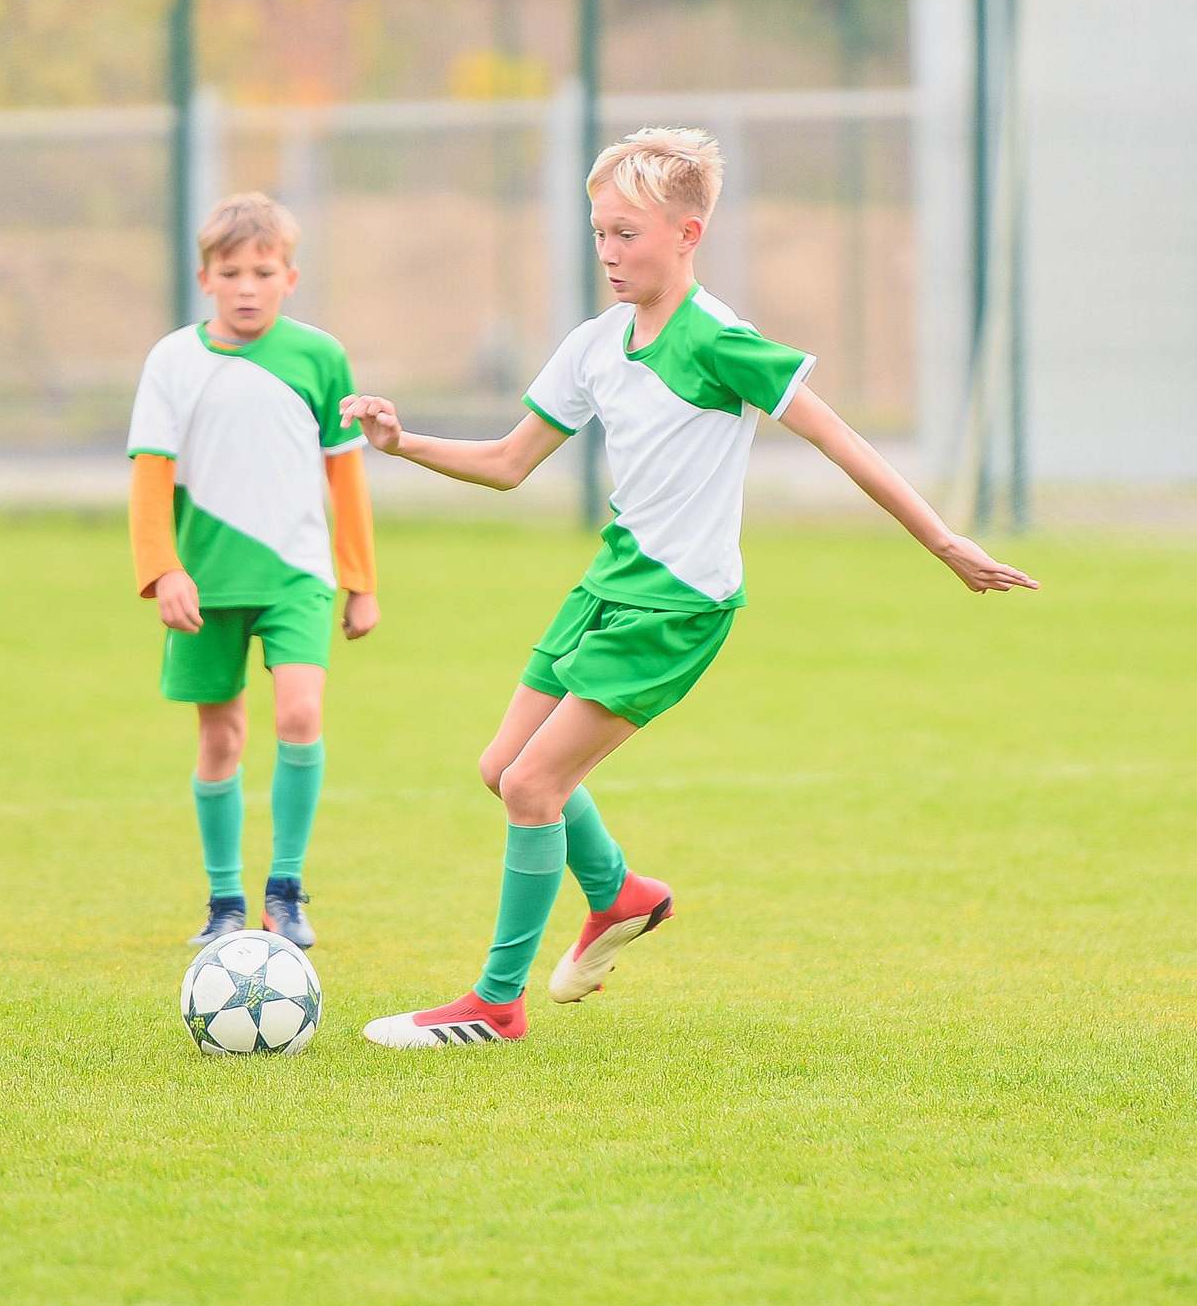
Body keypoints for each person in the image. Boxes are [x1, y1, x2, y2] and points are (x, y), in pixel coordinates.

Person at [342, 127, 1036, 1047]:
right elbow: (511, 461)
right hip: (609, 580)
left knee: (533, 785)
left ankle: (494, 1007)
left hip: (678, 605)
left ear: (688, 233)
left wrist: (942, 539)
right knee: (500, 769)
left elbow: (841, 441)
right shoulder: (596, 343)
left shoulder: (724, 342)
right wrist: (405, 442)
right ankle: (622, 893)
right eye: (599, 233)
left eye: (627, 233)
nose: (608, 253)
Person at [128, 192, 380, 949]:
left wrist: (361, 579)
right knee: (222, 739)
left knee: (301, 714)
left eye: (262, 271)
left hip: (298, 575)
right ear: (204, 277)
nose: (246, 286)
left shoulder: (320, 357)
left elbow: (347, 475)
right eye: (230, 271)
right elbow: (148, 475)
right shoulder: (173, 360)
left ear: (290, 277)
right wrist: (161, 570)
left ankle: (287, 888)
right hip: (203, 582)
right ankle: (225, 900)